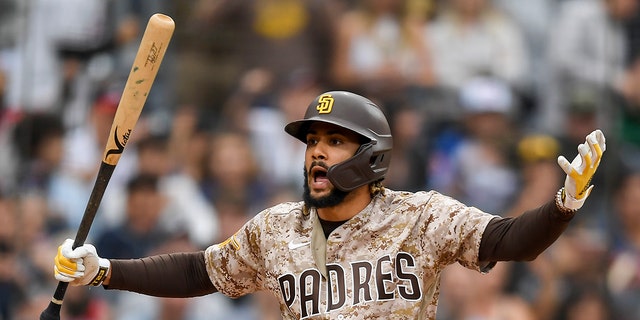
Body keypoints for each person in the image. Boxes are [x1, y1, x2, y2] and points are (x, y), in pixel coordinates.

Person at [52, 91, 606, 319]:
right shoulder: (276, 228)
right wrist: (104, 272)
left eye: (333, 141)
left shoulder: (422, 216)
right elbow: (201, 270)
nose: (315, 152)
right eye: (311, 142)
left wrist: (564, 203)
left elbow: (512, 242)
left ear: (370, 157)